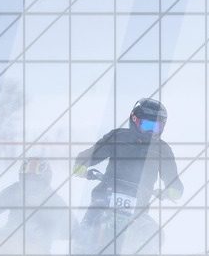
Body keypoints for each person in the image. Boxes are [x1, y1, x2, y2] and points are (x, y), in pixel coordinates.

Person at [71, 97, 184, 229]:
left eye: (155, 127)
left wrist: (174, 190)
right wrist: (81, 164)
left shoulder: (163, 150)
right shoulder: (117, 137)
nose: (150, 132)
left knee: (157, 235)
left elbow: (174, 181)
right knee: (85, 228)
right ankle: (79, 247)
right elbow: (92, 154)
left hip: (139, 210)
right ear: (134, 121)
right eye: (146, 125)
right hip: (104, 200)